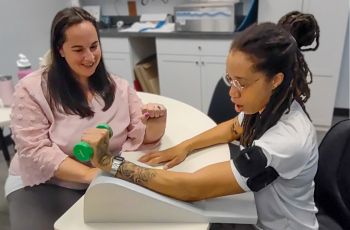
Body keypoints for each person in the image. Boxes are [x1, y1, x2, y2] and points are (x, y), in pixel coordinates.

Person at [87, 11, 320, 230]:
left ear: (276, 80)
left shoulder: (287, 141)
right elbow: (234, 127)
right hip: (257, 211)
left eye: (242, 83)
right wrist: (185, 146)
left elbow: (191, 187)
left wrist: (110, 162)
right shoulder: (269, 103)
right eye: (230, 79)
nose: (232, 92)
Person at [4, 7, 166, 230]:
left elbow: (143, 137)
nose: (90, 57)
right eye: (78, 49)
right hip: (45, 182)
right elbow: (35, 151)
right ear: (60, 50)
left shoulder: (118, 87)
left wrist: (157, 118)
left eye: (94, 46)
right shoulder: (33, 90)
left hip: (103, 178)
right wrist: (91, 173)